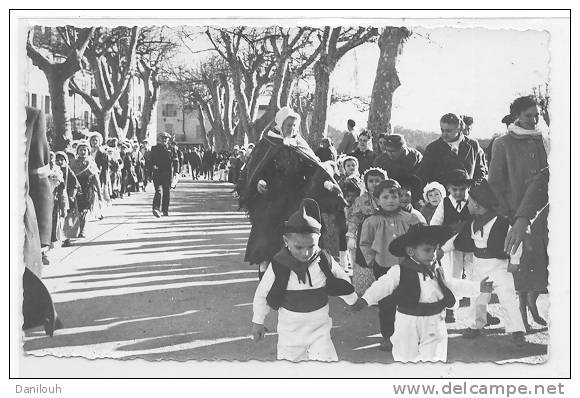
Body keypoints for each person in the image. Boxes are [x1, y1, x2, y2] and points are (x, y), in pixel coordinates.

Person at [352, 224, 493, 363]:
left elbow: (451, 284)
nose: (433, 255)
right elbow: (382, 286)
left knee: (435, 357)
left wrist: (477, 287)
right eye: (427, 250)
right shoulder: (399, 271)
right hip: (407, 321)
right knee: (405, 356)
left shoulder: (437, 270)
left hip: (434, 320)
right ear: (411, 252)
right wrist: (365, 299)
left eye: (435, 250)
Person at [236, 106, 344, 278]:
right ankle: (264, 269)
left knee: (295, 232)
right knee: (267, 234)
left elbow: (312, 168)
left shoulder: (300, 143)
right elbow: (254, 169)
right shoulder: (267, 143)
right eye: (289, 125)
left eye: (295, 125)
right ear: (280, 124)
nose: (292, 128)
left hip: (294, 197)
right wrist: (259, 181)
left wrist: (325, 181)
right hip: (271, 198)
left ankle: (294, 271)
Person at [251, 199, 357, 362]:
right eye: (298, 247)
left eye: (311, 246)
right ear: (286, 241)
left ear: (318, 239)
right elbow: (262, 294)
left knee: (326, 365)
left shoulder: (323, 260)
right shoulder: (279, 264)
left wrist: (353, 301)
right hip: (290, 333)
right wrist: (258, 321)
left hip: (320, 329)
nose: (306, 253)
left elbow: (342, 279)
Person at [488, 95, 549, 331]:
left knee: (541, 263)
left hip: (543, 212)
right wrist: (510, 215)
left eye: (536, 115)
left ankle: (533, 305)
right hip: (517, 214)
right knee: (522, 264)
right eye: (528, 116)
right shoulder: (502, 143)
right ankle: (521, 314)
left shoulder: (544, 140)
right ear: (516, 116)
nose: (533, 120)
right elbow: (495, 183)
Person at [442, 181, 527, 345]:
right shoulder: (473, 223)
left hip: (499, 266)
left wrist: (514, 261)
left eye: (469, 202)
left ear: (477, 204)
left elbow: (516, 240)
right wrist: (442, 250)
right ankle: (477, 325)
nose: (467, 204)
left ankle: (517, 330)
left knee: (507, 297)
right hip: (479, 266)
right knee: (478, 298)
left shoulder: (501, 222)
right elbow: (457, 240)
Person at [358, 179, 424, 351]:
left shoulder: (410, 218)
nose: (390, 200)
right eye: (385, 197)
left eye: (394, 196)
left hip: (408, 266)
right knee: (386, 303)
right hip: (384, 266)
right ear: (377, 200)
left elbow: (421, 239)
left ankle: (410, 334)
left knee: (410, 301)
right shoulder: (372, 221)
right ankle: (388, 336)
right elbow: (365, 243)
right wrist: (372, 260)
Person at [429, 168, 474, 323]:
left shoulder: (473, 201)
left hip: (470, 245)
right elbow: (435, 223)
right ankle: (451, 308)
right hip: (450, 246)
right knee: (452, 275)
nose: (458, 193)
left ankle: (479, 310)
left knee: (474, 275)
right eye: (454, 189)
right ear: (448, 188)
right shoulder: (445, 203)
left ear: (468, 188)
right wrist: (436, 242)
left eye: (463, 189)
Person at [417, 113, 487, 187]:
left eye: (448, 131)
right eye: (442, 130)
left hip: (467, 195)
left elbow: (480, 172)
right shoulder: (432, 148)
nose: (444, 134)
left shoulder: (473, 144)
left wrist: (472, 188)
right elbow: (423, 177)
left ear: (460, 129)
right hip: (442, 196)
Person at [347, 168, 387, 296]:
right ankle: (365, 291)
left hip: (385, 234)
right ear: (366, 183)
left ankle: (383, 292)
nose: (375, 184)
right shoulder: (360, 200)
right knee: (365, 260)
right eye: (371, 181)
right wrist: (352, 236)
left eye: (378, 181)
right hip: (366, 235)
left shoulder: (390, 197)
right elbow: (354, 218)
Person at [70, 141, 100, 239]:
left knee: (84, 211)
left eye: (85, 150)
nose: (83, 152)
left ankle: (82, 231)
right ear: (77, 151)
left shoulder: (91, 163)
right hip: (76, 188)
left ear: (88, 151)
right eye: (80, 150)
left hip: (87, 189)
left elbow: (96, 178)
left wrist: (99, 192)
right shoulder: (73, 162)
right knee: (76, 210)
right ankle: (74, 230)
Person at [53, 151, 79, 247]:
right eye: (57, 160)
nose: (59, 162)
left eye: (61, 160)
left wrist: (72, 196)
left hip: (68, 197)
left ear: (66, 161)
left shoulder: (68, 171)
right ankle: (59, 237)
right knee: (59, 218)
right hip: (57, 198)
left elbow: (75, 185)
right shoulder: (54, 171)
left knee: (67, 219)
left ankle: (67, 238)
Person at [150, 132, 178, 217]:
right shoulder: (154, 148)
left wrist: (176, 172)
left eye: (166, 138)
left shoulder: (172, 149)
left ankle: (165, 210)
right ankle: (156, 209)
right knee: (158, 191)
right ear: (160, 139)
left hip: (167, 173)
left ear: (168, 140)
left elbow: (176, 161)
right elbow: (150, 160)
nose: (164, 140)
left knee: (166, 192)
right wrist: (153, 166)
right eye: (162, 138)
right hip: (157, 173)